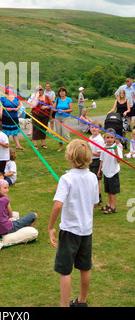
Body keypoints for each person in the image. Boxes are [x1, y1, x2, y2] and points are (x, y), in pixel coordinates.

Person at [48, 139, 99, 308]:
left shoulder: (66, 178)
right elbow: (94, 203)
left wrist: (50, 227)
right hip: (86, 230)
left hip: (70, 231)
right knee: (85, 267)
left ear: (69, 156)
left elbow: (58, 205)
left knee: (65, 270)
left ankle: (65, 305)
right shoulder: (92, 177)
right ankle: (82, 301)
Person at [98, 129, 123, 215]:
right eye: (107, 137)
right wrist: (99, 170)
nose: (109, 139)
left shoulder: (117, 148)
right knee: (108, 190)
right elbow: (101, 159)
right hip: (106, 172)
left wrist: (116, 151)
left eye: (112, 137)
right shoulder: (104, 148)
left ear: (114, 139)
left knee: (113, 191)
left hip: (113, 172)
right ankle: (108, 204)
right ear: (104, 138)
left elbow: (119, 160)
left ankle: (113, 207)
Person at [0, 84, 23, 150]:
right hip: (6, 117)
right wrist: (6, 109)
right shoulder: (3, 97)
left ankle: (18, 145)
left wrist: (17, 108)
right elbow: (1, 106)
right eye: (8, 88)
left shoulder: (16, 96)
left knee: (15, 132)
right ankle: (6, 144)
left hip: (14, 116)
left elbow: (19, 105)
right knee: (6, 132)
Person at [29, 85, 53, 149]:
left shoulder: (47, 97)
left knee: (43, 128)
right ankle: (35, 144)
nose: (39, 91)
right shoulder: (34, 97)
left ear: (43, 90)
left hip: (45, 115)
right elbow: (32, 106)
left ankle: (43, 144)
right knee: (36, 128)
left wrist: (46, 107)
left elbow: (51, 105)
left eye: (40, 89)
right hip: (36, 114)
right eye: (37, 90)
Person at [88, 121, 104, 205]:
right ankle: (95, 196)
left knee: (96, 180)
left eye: (96, 127)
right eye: (92, 127)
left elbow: (100, 153)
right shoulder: (91, 138)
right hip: (91, 161)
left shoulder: (99, 140)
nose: (93, 129)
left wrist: (89, 152)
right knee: (93, 180)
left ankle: (98, 197)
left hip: (97, 161)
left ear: (100, 129)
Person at [54, 87, 73, 152]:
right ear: (59, 93)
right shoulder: (57, 100)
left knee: (65, 133)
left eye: (63, 91)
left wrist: (63, 111)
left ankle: (70, 147)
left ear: (65, 92)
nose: (62, 93)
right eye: (60, 92)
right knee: (59, 133)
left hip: (66, 118)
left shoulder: (69, 99)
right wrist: (57, 110)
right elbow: (53, 108)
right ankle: (61, 147)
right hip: (58, 117)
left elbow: (71, 109)